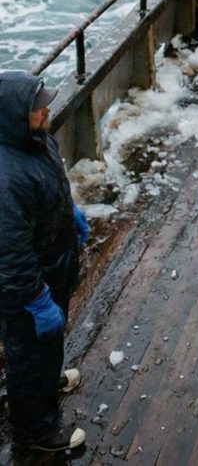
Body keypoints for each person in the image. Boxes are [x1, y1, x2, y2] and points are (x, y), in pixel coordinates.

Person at [0, 71, 88, 452]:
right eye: (38, 107)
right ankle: (34, 431)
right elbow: (10, 254)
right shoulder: (6, 177)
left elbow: (52, 182)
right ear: (15, 116)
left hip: (55, 263)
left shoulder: (38, 140)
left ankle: (47, 381)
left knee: (47, 347)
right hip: (29, 286)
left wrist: (70, 212)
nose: (47, 110)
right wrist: (36, 300)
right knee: (28, 352)